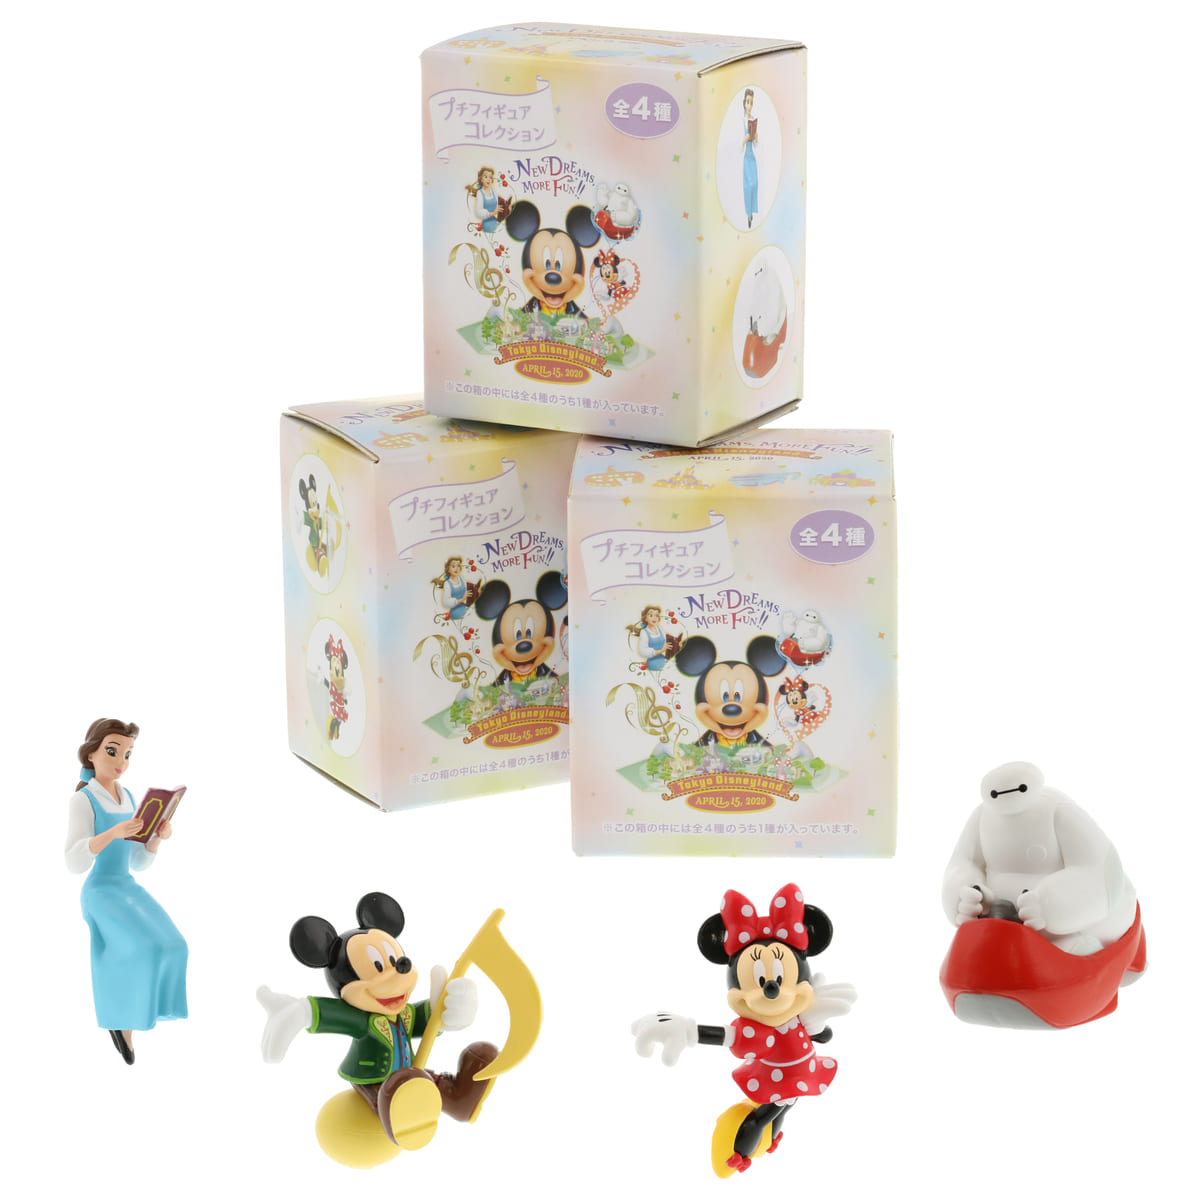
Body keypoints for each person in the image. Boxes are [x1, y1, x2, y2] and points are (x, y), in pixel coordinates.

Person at [64, 718, 188, 1064]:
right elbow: (73, 861)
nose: (121, 761)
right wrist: (111, 833)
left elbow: (137, 862)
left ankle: (140, 1010)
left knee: (174, 944)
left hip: (125, 885)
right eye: (113, 751)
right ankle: (122, 1019)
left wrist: (155, 840)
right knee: (144, 948)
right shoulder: (83, 801)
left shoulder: (130, 797)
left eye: (128, 754)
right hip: (100, 890)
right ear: (91, 755)